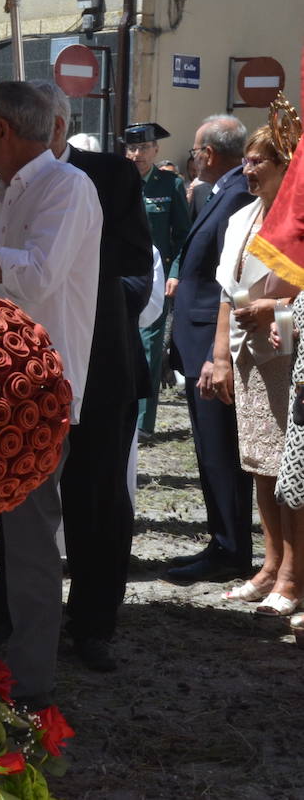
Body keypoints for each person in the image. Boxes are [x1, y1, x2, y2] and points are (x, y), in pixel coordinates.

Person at [0, 81, 101, 708]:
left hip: (39, 393)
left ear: (2, 130)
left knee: (29, 544)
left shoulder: (69, 186)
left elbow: (41, 275)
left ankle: (31, 686)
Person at [29, 82, 153, 672]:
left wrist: (85, 307)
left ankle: (93, 621)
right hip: (27, 365)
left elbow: (135, 270)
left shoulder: (109, 176)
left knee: (97, 494)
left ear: (52, 126)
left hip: (101, 360)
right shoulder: (2, 188)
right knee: (21, 490)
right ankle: (15, 613)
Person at [206, 126, 300, 616]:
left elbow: (293, 292)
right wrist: (218, 355)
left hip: (289, 357)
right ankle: (270, 563)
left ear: (288, 165)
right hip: (248, 357)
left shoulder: (298, 221)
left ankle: (294, 573)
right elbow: (228, 292)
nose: (248, 169)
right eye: (245, 160)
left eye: (259, 160)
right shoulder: (243, 216)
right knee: (260, 467)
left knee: (292, 472)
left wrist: (274, 307)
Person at [162, 116, 254, 583]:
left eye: (197, 150)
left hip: (211, 344)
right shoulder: (221, 189)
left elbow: (227, 279)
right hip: (201, 337)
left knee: (220, 450)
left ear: (210, 154)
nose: (194, 157)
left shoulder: (237, 192)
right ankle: (224, 540)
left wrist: (214, 353)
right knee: (211, 449)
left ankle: (231, 549)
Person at [125, 122, 192, 437]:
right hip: (122, 272)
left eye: (143, 148)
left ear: (155, 150)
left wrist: (176, 273)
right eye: (132, 148)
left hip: (156, 275)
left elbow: (182, 236)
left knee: (151, 346)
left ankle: (143, 422)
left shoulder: (170, 185)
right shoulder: (118, 181)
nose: (137, 154)